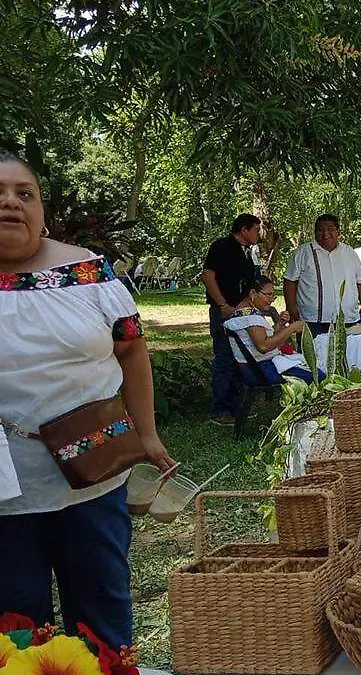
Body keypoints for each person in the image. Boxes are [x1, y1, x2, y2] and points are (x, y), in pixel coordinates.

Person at [0, 153, 174, 651]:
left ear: (41, 211)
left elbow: (132, 346)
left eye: (24, 193)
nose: (10, 203)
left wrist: (146, 433)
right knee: (14, 620)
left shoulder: (89, 273)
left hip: (93, 475)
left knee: (101, 608)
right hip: (4, 493)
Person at [200, 214, 261, 426]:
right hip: (223, 311)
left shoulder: (247, 253)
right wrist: (223, 304)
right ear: (244, 230)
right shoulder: (222, 247)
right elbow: (208, 275)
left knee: (239, 357)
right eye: (256, 230)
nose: (258, 235)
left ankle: (237, 405)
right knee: (224, 358)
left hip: (240, 311)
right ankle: (220, 409)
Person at [283, 214, 361, 335]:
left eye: (330, 229)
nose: (325, 234)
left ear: (338, 232)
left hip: (347, 319)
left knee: (348, 353)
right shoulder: (302, 253)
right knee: (312, 353)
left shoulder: (349, 253)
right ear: (314, 232)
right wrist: (291, 308)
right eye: (320, 229)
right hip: (312, 321)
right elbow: (290, 281)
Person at [223, 276, 313, 385]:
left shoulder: (241, 313)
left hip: (254, 368)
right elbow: (263, 347)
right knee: (319, 375)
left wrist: (279, 326)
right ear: (253, 293)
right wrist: (291, 328)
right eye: (269, 295)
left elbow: (263, 342)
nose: (271, 300)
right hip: (261, 370)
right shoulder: (251, 318)